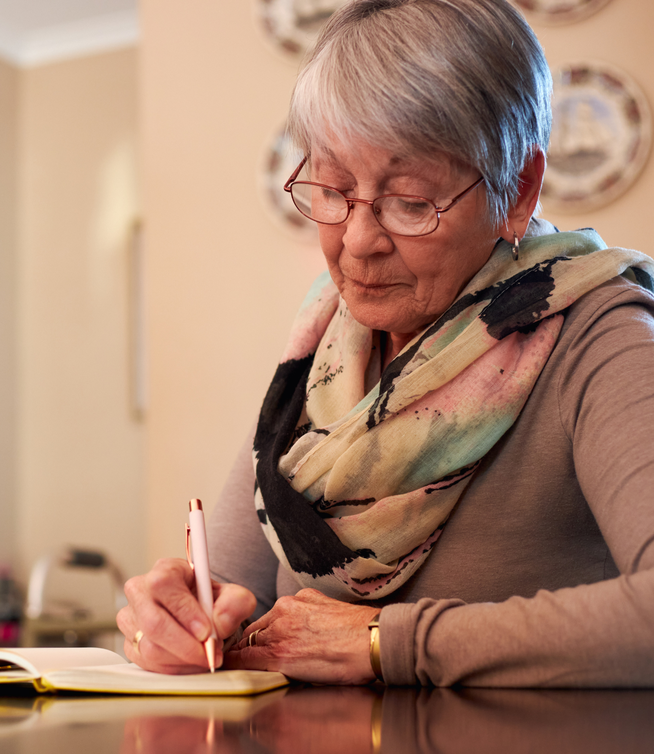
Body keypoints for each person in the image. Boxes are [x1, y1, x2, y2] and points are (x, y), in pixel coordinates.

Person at [117, 0, 654, 687]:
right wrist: (177, 622)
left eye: (409, 200)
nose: (359, 241)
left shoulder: (599, 337)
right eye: (334, 189)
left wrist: (387, 642)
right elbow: (227, 591)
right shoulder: (325, 352)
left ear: (517, 191)